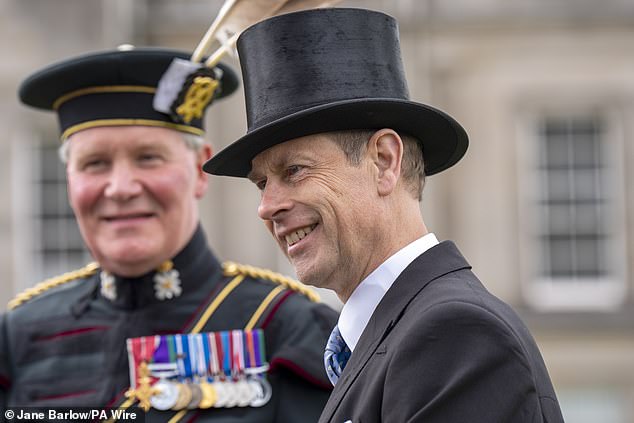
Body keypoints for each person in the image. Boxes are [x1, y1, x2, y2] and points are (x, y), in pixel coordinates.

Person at [203, 8, 566, 423]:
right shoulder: (394, 332)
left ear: (384, 160)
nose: (268, 206)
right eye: (262, 183)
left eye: (294, 171)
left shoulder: (452, 334)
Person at [0, 47, 337, 422]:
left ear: (198, 170)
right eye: (94, 163)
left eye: (148, 158)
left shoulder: (284, 326)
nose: (121, 188)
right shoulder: (19, 335)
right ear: (70, 181)